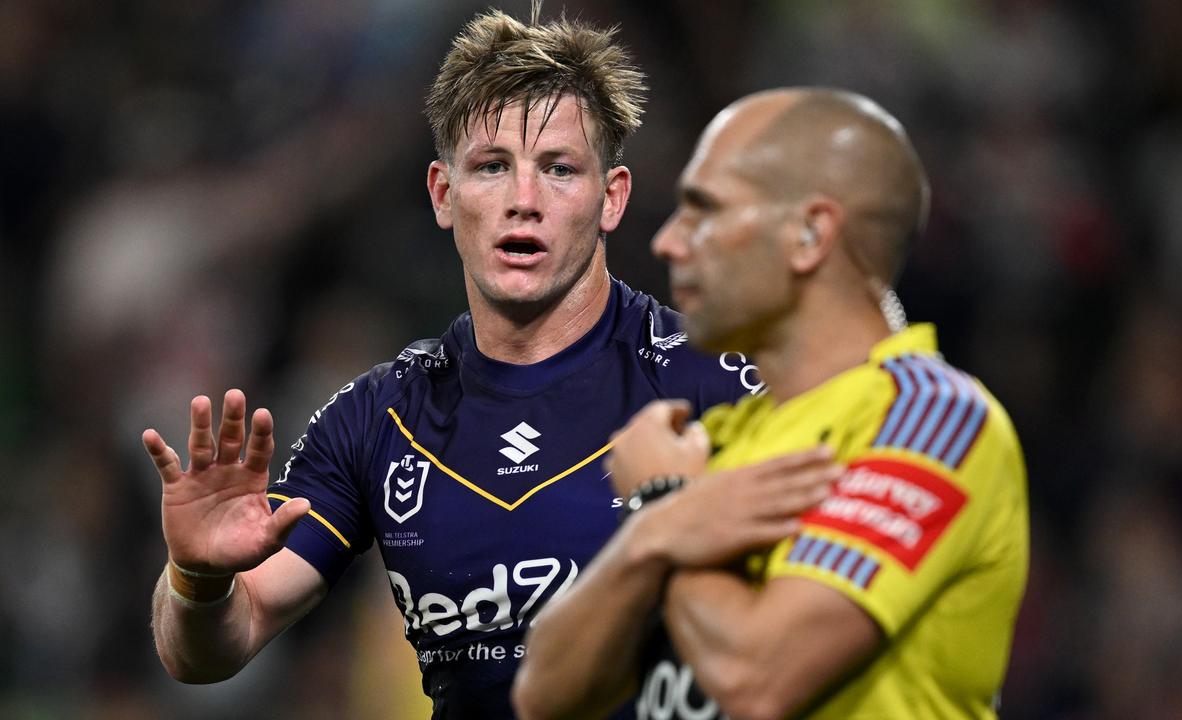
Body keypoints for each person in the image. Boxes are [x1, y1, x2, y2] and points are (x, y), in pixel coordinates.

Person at [142, 8, 751, 718]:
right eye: (492, 168)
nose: (523, 202)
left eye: (559, 169)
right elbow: (211, 648)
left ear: (611, 198)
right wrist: (197, 578)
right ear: (443, 193)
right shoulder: (378, 419)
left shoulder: (712, 381)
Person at [513, 88, 1030, 720]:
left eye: (705, 210)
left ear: (810, 233)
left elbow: (756, 680)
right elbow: (544, 695)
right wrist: (652, 535)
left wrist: (664, 499)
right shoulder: (718, 435)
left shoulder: (932, 422)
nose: (668, 242)